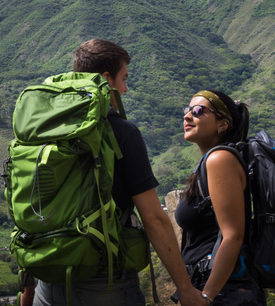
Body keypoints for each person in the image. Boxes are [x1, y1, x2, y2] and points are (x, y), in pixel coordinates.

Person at [24, 39, 205, 306]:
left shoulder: (44, 132)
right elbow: (154, 219)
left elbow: (31, 209)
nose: (125, 88)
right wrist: (186, 289)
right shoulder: (120, 131)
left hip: (47, 281)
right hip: (104, 283)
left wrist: (27, 291)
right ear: (106, 78)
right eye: (123, 78)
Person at [175, 91, 266, 305]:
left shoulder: (220, 159)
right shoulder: (210, 162)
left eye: (198, 111)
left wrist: (207, 297)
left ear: (222, 124)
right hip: (219, 288)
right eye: (186, 110)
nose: (187, 116)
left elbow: (233, 235)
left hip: (226, 292)